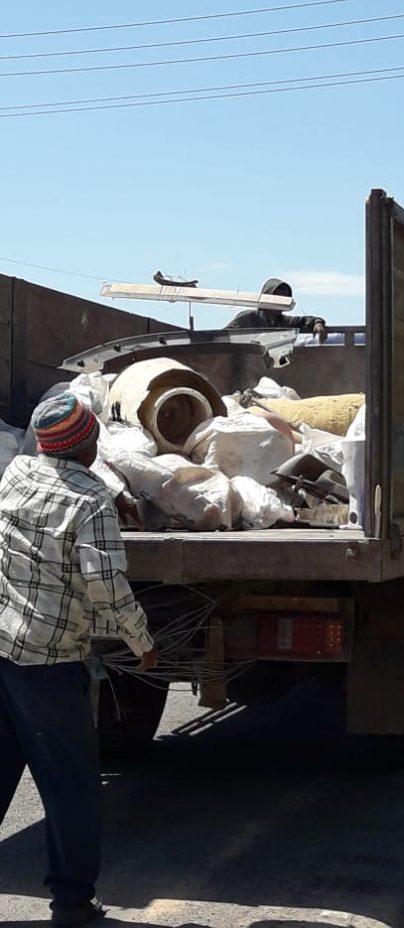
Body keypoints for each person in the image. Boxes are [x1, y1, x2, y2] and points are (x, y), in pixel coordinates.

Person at [0, 393, 157, 927]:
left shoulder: (16, 473)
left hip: (1, 648)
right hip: (47, 662)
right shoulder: (91, 502)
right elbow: (107, 586)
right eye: (92, 436)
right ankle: (71, 902)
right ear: (86, 444)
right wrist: (141, 641)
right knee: (71, 786)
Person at [226, 277, 328, 342]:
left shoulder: (284, 321)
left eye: (284, 298)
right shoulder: (248, 318)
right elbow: (223, 337)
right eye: (277, 297)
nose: (280, 302)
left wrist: (317, 323)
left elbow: (306, 320)